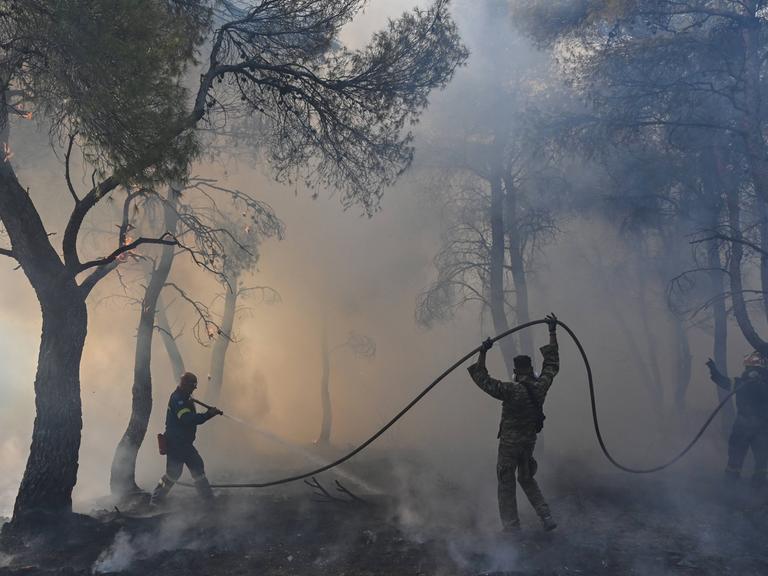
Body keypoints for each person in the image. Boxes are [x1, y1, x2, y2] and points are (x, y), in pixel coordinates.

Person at [468, 314, 560, 532]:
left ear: (516, 373)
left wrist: (483, 352)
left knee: (506, 483)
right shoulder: (540, 387)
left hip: (509, 446)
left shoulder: (510, 390)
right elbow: (552, 364)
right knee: (527, 479)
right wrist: (552, 331)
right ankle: (546, 515)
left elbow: (483, 379)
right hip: (528, 443)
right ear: (531, 370)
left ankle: (511, 528)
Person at [150, 372, 222, 506]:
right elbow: (187, 419)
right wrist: (208, 414)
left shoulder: (184, 397)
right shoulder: (178, 399)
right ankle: (156, 500)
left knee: (197, 467)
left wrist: (209, 414)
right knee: (173, 474)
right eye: (192, 387)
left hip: (184, 443)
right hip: (176, 444)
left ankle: (208, 499)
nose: (193, 390)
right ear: (184, 385)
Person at [707, 351, 768, 488]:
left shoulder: (764, 384)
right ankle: (730, 488)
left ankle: (758, 489)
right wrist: (714, 371)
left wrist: (759, 383)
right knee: (735, 459)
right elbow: (725, 382)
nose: (750, 371)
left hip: (761, 428)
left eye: (754, 368)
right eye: (749, 368)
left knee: (762, 461)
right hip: (743, 426)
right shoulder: (740, 383)